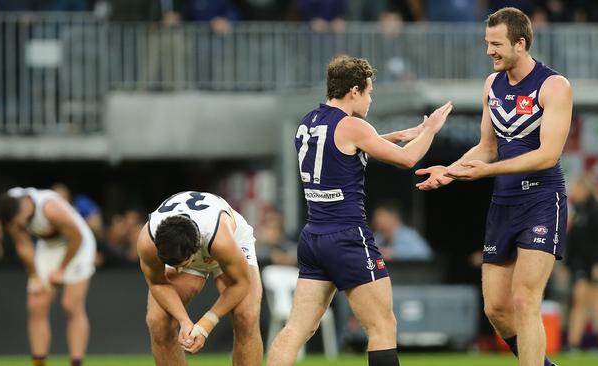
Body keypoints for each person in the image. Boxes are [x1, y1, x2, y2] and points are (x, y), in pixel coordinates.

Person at [267, 55, 452, 366]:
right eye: (368, 92)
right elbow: (407, 160)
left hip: (313, 237)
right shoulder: (352, 125)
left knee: (297, 328)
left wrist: (399, 136)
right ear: (354, 91)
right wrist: (430, 130)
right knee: (382, 326)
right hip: (347, 236)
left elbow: (345, 149)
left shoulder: (308, 122)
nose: (369, 99)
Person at [416, 7, 572, 366]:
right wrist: (450, 171)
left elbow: (547, 155)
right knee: (497, 309)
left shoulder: (554, 86)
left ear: (521, 43)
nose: (490, 51)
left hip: (542, 199)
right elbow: (486, 147)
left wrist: (486, 172)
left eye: (497, 44)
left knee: (524, 300)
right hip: (504, 202)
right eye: (487, 43)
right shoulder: (492, 84)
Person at [136, 191, 262, 366]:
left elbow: (241, 283)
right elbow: (157, 283)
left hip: (232, 240)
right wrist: (184, 321)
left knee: (246, 317)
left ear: (195, 251)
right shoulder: (147, 242)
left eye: (181, 264)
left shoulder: (221, 241)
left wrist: (205, 324)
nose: (178, 270)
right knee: (159, 323)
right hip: (187, 244)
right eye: (173, 265)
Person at [0, 187, 96, 366]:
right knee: (36, 304)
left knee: (70, 305)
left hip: (77, 246)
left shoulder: (51, 209)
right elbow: (23, 244)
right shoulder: (11, 212)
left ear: (25, 207)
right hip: (49, 246)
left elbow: (76, 237)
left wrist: (61, 270)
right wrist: (34, 275)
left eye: (19, 220)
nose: (18, 225)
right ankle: (39, 363)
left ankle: (76, 362)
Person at [565, 175, 598, 353]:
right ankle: (573, 344)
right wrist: (567, 265)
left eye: (576, 188)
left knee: (597, 302)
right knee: (579, 301)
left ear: (585, 190)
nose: (572, 192)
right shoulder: (577, 212)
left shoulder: (596, 211)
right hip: (581, 264)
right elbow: (572, 242)